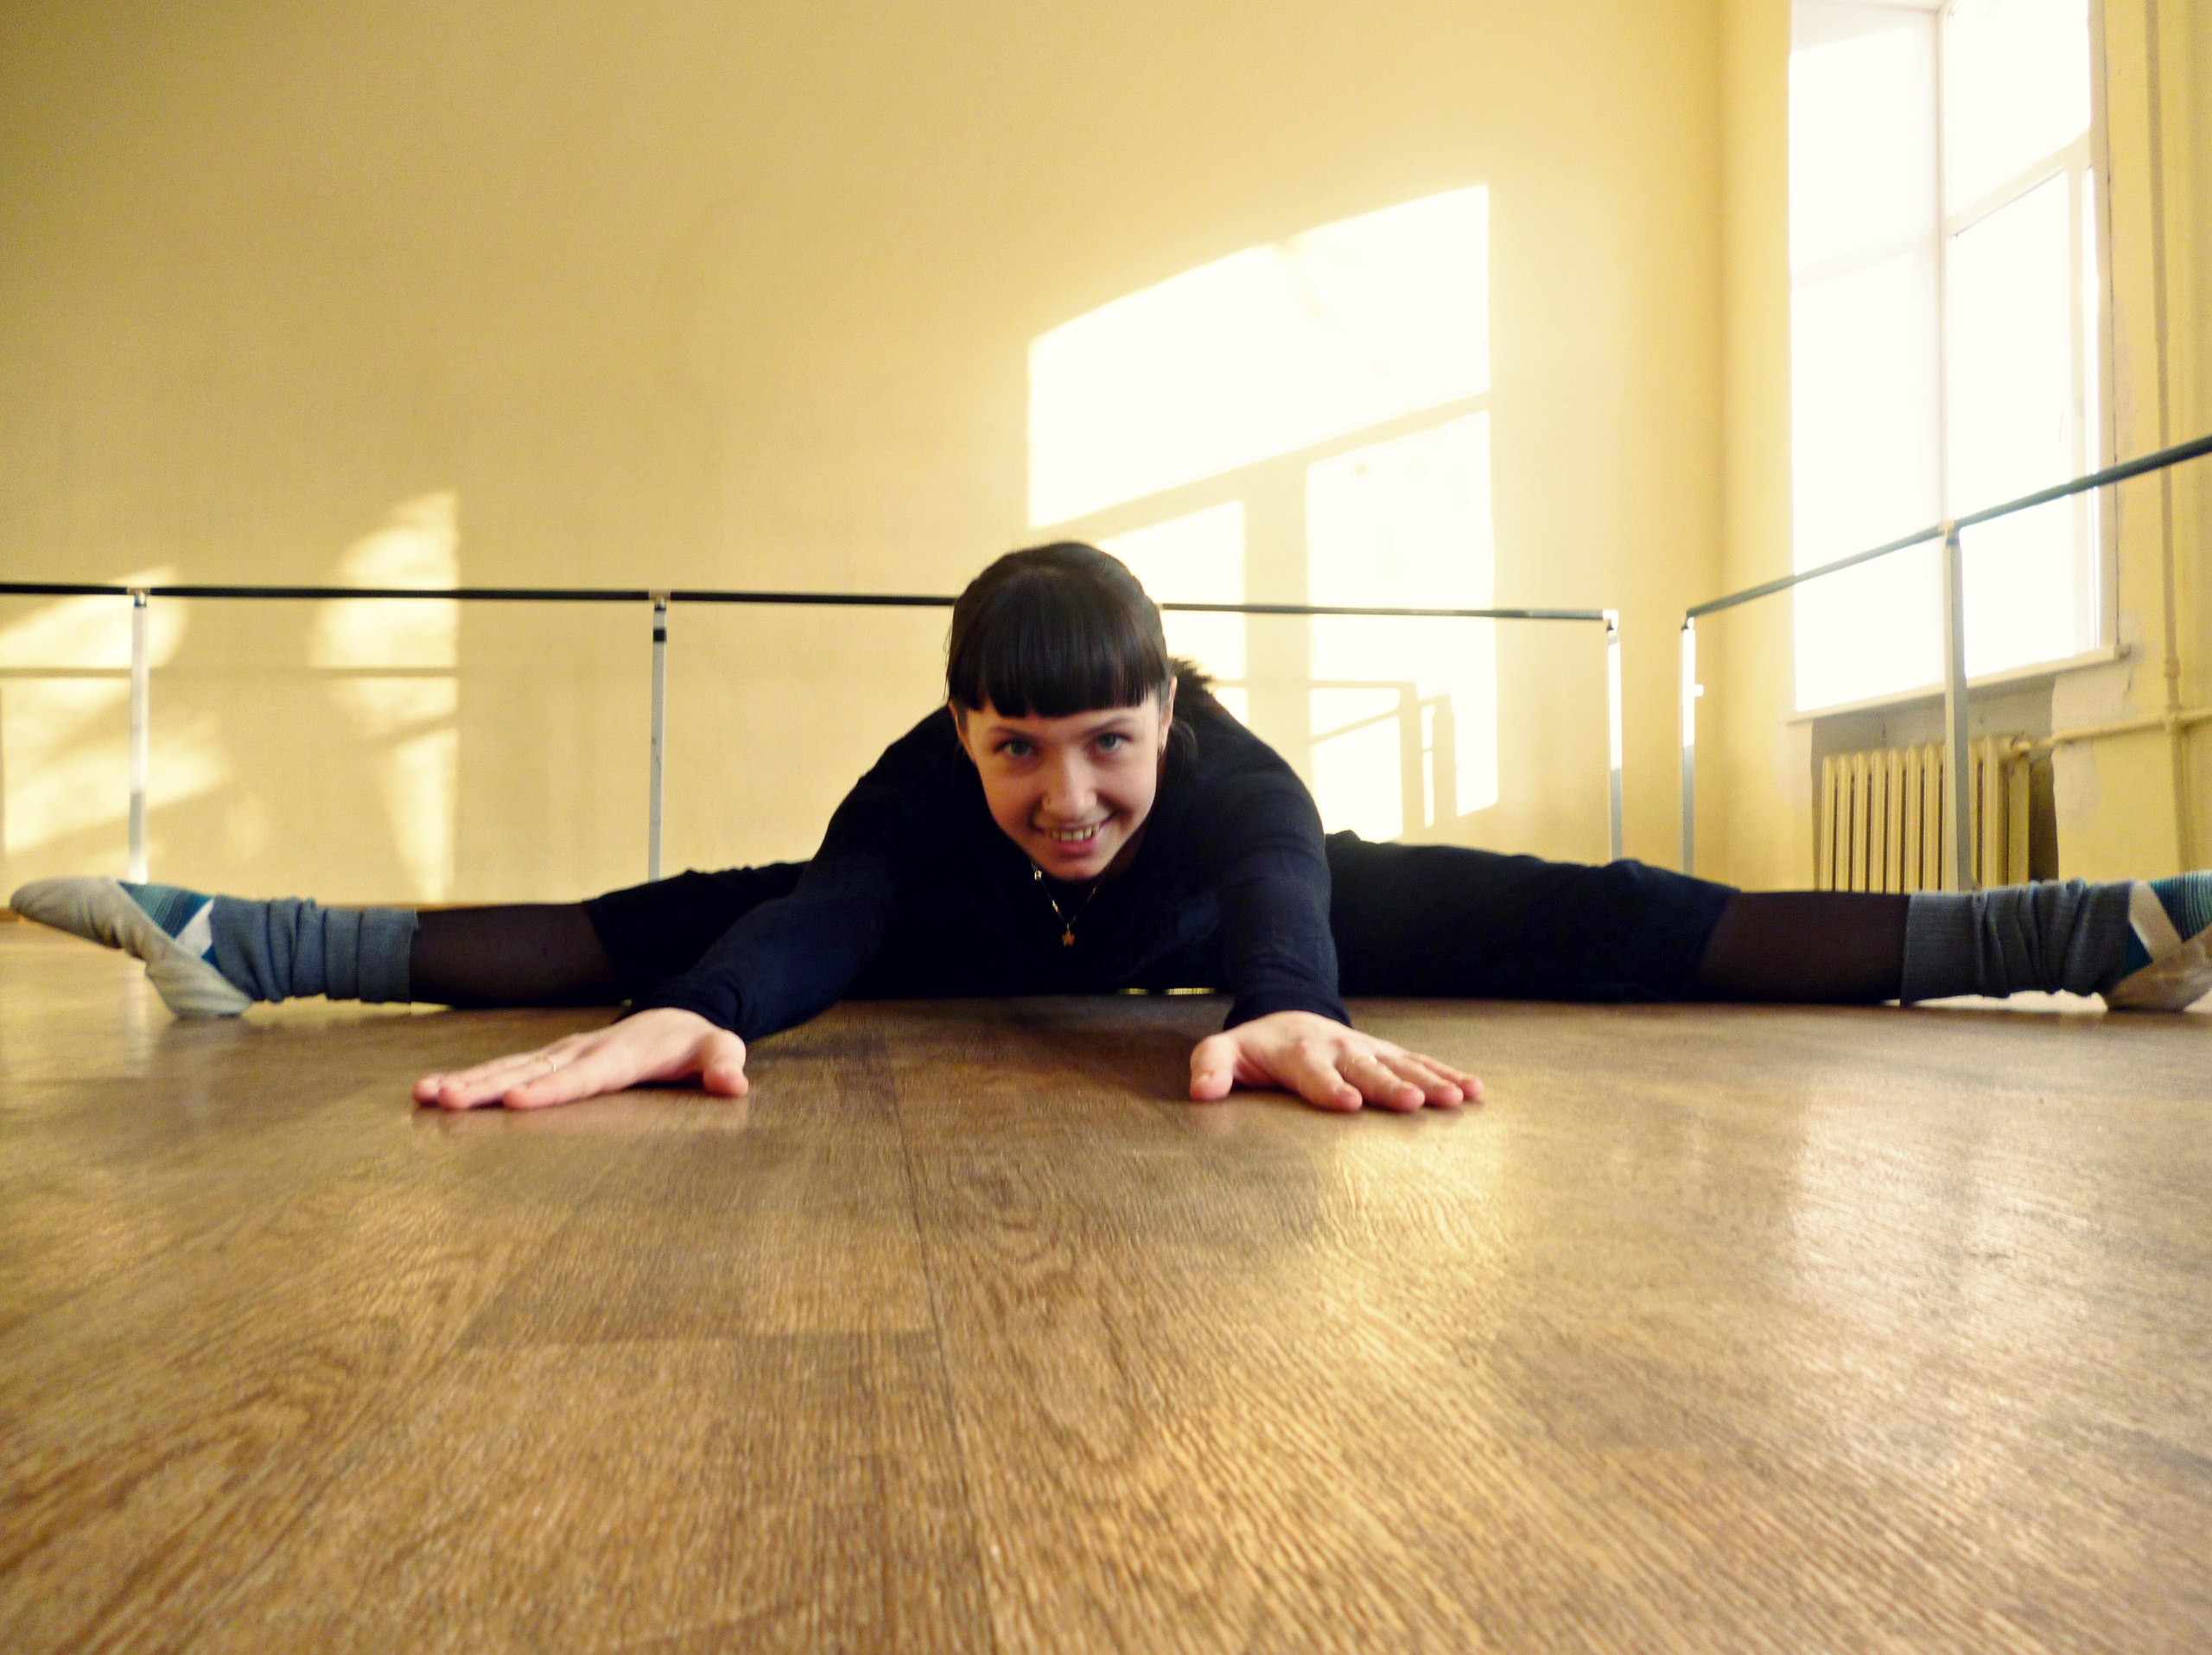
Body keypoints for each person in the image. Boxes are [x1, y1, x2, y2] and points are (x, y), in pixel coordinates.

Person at [13, 544, 2211, 1115]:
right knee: (661, 917)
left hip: (1243, 933)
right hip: (959, 946)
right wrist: (705, 1010)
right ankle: (255, 942)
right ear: (963, 730)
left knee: (1611, 908)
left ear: (1166, 712)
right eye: (1014, 750)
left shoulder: (1233, 786)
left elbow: (1273, 881)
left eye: (1101, 746)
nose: (1061, 795)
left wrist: (1285, 1002)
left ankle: (2076, 929)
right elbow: (839, 909)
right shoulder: (920, 798)